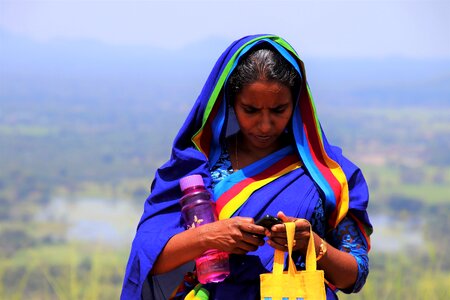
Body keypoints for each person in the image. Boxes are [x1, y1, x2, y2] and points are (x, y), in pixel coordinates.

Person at [121, 34, 372, 300]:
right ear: (230, 103)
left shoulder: (329, 175)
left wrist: (310, 243)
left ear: (297, 104)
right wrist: (211, 237)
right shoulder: (194, 170)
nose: (265, 125)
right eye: (250, 110)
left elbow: (354, 275)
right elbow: (147, 259)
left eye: (278, 110)